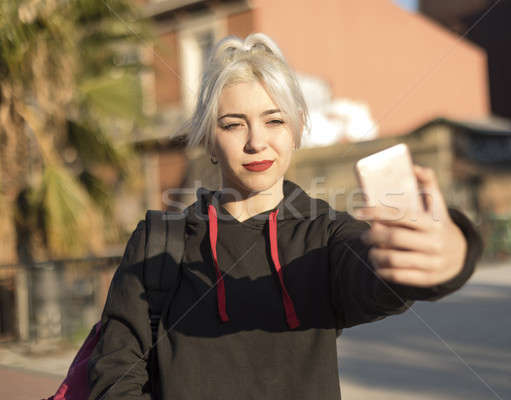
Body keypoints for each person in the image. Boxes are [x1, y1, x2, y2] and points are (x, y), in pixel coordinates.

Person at [87, 33, 483, 400]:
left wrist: (451, 252)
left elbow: (377, 276)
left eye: (274, 120)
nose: (256, 141)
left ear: (296, 130)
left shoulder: (327, 235)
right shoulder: (158, 241)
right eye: (232, 124)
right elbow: (115, 371)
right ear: (208, 140)